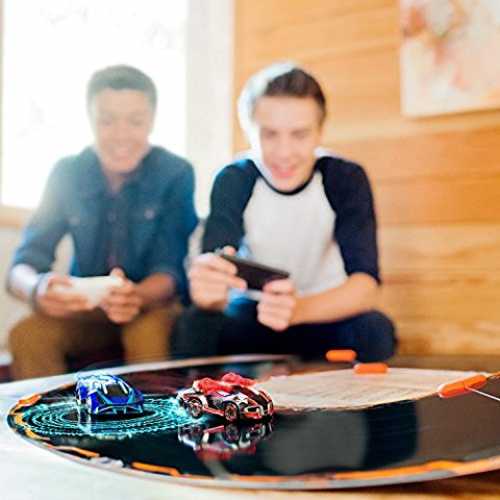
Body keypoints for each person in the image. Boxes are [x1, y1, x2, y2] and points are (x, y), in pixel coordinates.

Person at [172, 62, 395, 362]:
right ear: (249, 130)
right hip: (255, 314)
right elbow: (215, 269)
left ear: (320, 132)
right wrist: (207, 292)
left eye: (299, 135)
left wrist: (298, 310)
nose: (284, 152)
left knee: (376, 331)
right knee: (192, 326)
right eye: (269, 134)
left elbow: (365, 285)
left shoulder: (345, 178)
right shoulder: (234, 178)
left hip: (320, 310)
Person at [7, 65, 198, 379]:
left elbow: (171, 269)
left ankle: (153, 414)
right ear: (90, 119)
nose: (121, 135)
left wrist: (134, 296)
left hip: (152, 304)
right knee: (28, 334)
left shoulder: (176, 173)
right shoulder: (67, 172)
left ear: (152, 120)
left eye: (135, 121)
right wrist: (38, 289)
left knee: (146, 334)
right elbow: (24, 262)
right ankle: (53, 414)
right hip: (87, 308)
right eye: (107, 121)